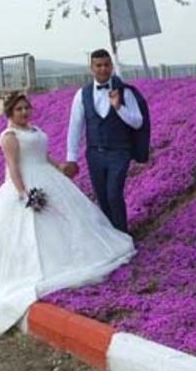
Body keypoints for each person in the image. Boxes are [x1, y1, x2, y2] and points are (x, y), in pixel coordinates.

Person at [0, 92, 135, 334]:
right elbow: (14, 168)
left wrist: (59, 166)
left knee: (68, 223)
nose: (24, 113)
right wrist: (23, 194)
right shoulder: (9, 137)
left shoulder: (33, 129)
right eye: (18, 110)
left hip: (49, 178)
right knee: (31, 236)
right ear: (9, 113)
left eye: (26, 108)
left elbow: (42, 154)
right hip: (27, 185)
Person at [62, 49, 145, 233]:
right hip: (95, 154)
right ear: (91, 68)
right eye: (98, 65)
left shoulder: (125, 92)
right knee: (102, 198)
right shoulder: (81, 95)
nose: (103, 69)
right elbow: (75, 126)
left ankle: (123, 235)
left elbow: (138, 122)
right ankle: (111, 237)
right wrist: (71, 158)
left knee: (114, 194)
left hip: (119, 152)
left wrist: (119, 107)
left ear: (111, 66)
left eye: (106, 65)